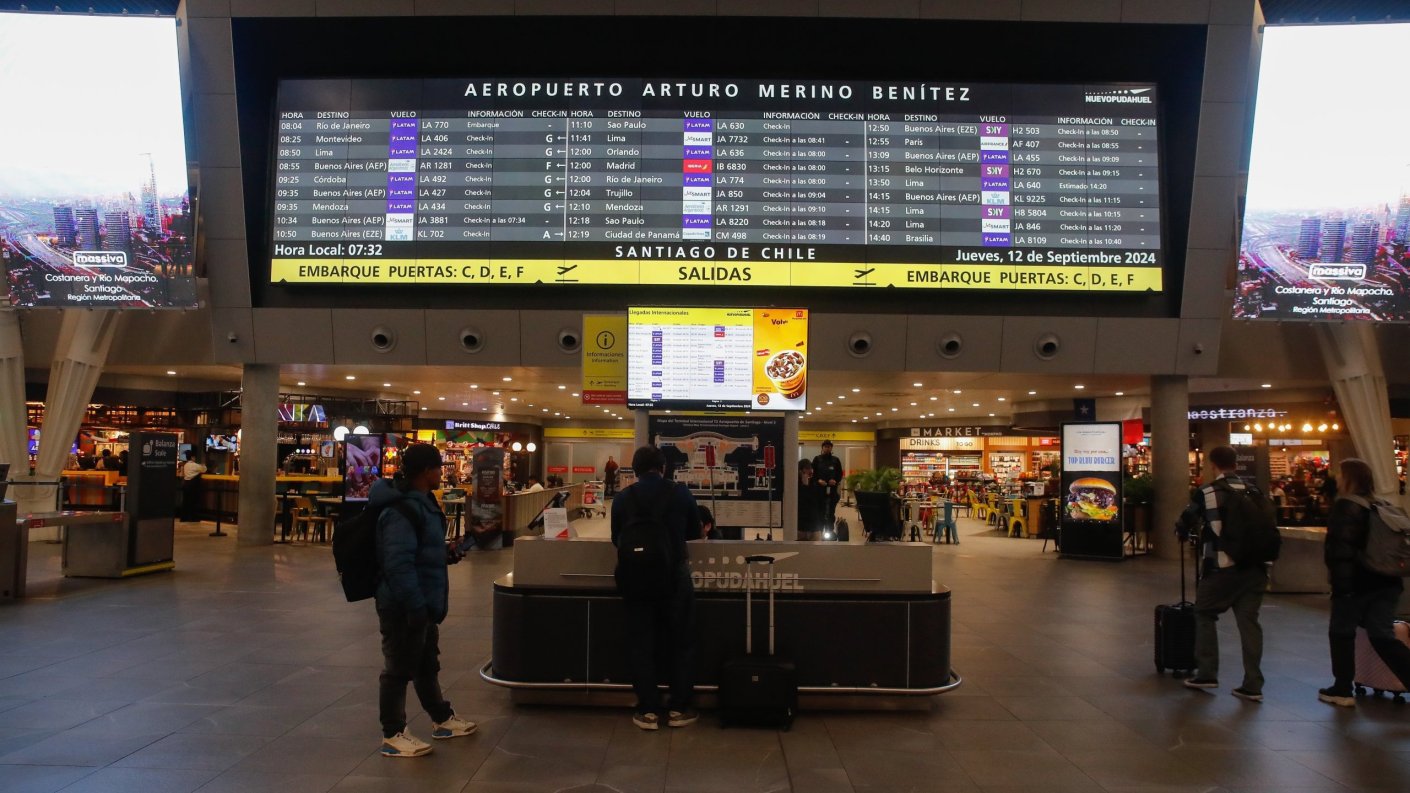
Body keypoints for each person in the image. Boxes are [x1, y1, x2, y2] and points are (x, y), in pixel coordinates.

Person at [370, 443, 475, 757]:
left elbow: (419, 552)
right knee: (398, 667)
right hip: (403, 604)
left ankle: (441, 718)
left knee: (426, 663)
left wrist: (446, 553)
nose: (442, 472)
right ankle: (392, 734)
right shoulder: (400, 510)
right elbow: (398, 563)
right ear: (426, 471)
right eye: (438, 467)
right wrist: (414, 605)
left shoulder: (423, 502)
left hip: (422, 601)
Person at [611, 445, 702, 731]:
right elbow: (695, 531)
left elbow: (616, 538)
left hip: (635, 578)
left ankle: (648, 710)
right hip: (674, 577)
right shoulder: (681, 493)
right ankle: (678, 708)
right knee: (681, 641)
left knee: (641, 643)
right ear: (663, 468)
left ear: (636, 470)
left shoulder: (623, 498)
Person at [1177, 445, 1268, 702]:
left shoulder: (1207, 492)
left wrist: (1183, 531)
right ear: (1236, 463)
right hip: (1255, 568)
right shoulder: (1254, 491)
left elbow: (1184, 522)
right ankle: (1253, 684)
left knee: (1204, 613)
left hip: (1221, 567)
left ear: (1212, 464)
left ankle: (1207, 672)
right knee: (1249, 623)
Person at [1318, 458, 1410, 707]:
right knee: (1383, 636)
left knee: (1341, 633)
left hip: (1357, 583)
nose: (1336, 478)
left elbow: (1341, 552)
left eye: (1339, 474)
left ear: (1348, 478)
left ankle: (1342, 689)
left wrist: (1342, 588)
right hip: (1388, 581)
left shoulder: (1346, 506)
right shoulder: (1380, 505)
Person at [811, 440, 843, 531]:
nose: (827, 448)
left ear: (831, 448)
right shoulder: (817, 459)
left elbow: (839, 474)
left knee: (830, 512)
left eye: (829, 447)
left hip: (832, 491)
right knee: (819, 512)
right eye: (825, 446)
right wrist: (818, 480)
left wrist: (835, 481)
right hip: (819, 491)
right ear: (822, 448)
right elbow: (812, 474)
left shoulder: (835, 460)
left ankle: (830, 530)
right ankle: (819, 530)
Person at [796, 459, 825, 541]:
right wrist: (804, 485)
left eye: (811, 468)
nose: (810, 471)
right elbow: (802, 501)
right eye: (807, 469)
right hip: (800, 525)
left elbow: (818, 503)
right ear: (800, 471)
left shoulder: (815, 483)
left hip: (814, 525)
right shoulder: (795, 484)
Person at [179, 451, 207, 522]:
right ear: (192, 457)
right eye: (194, 457)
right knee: (193, 502)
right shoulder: (195, 465)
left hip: (186, 484)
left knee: (186, 502)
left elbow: (181, 475)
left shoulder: (185, 465)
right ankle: (193, 518)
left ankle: (185, 517)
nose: (195, 458)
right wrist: (203, 465)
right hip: (193, 485)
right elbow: (204, 469)